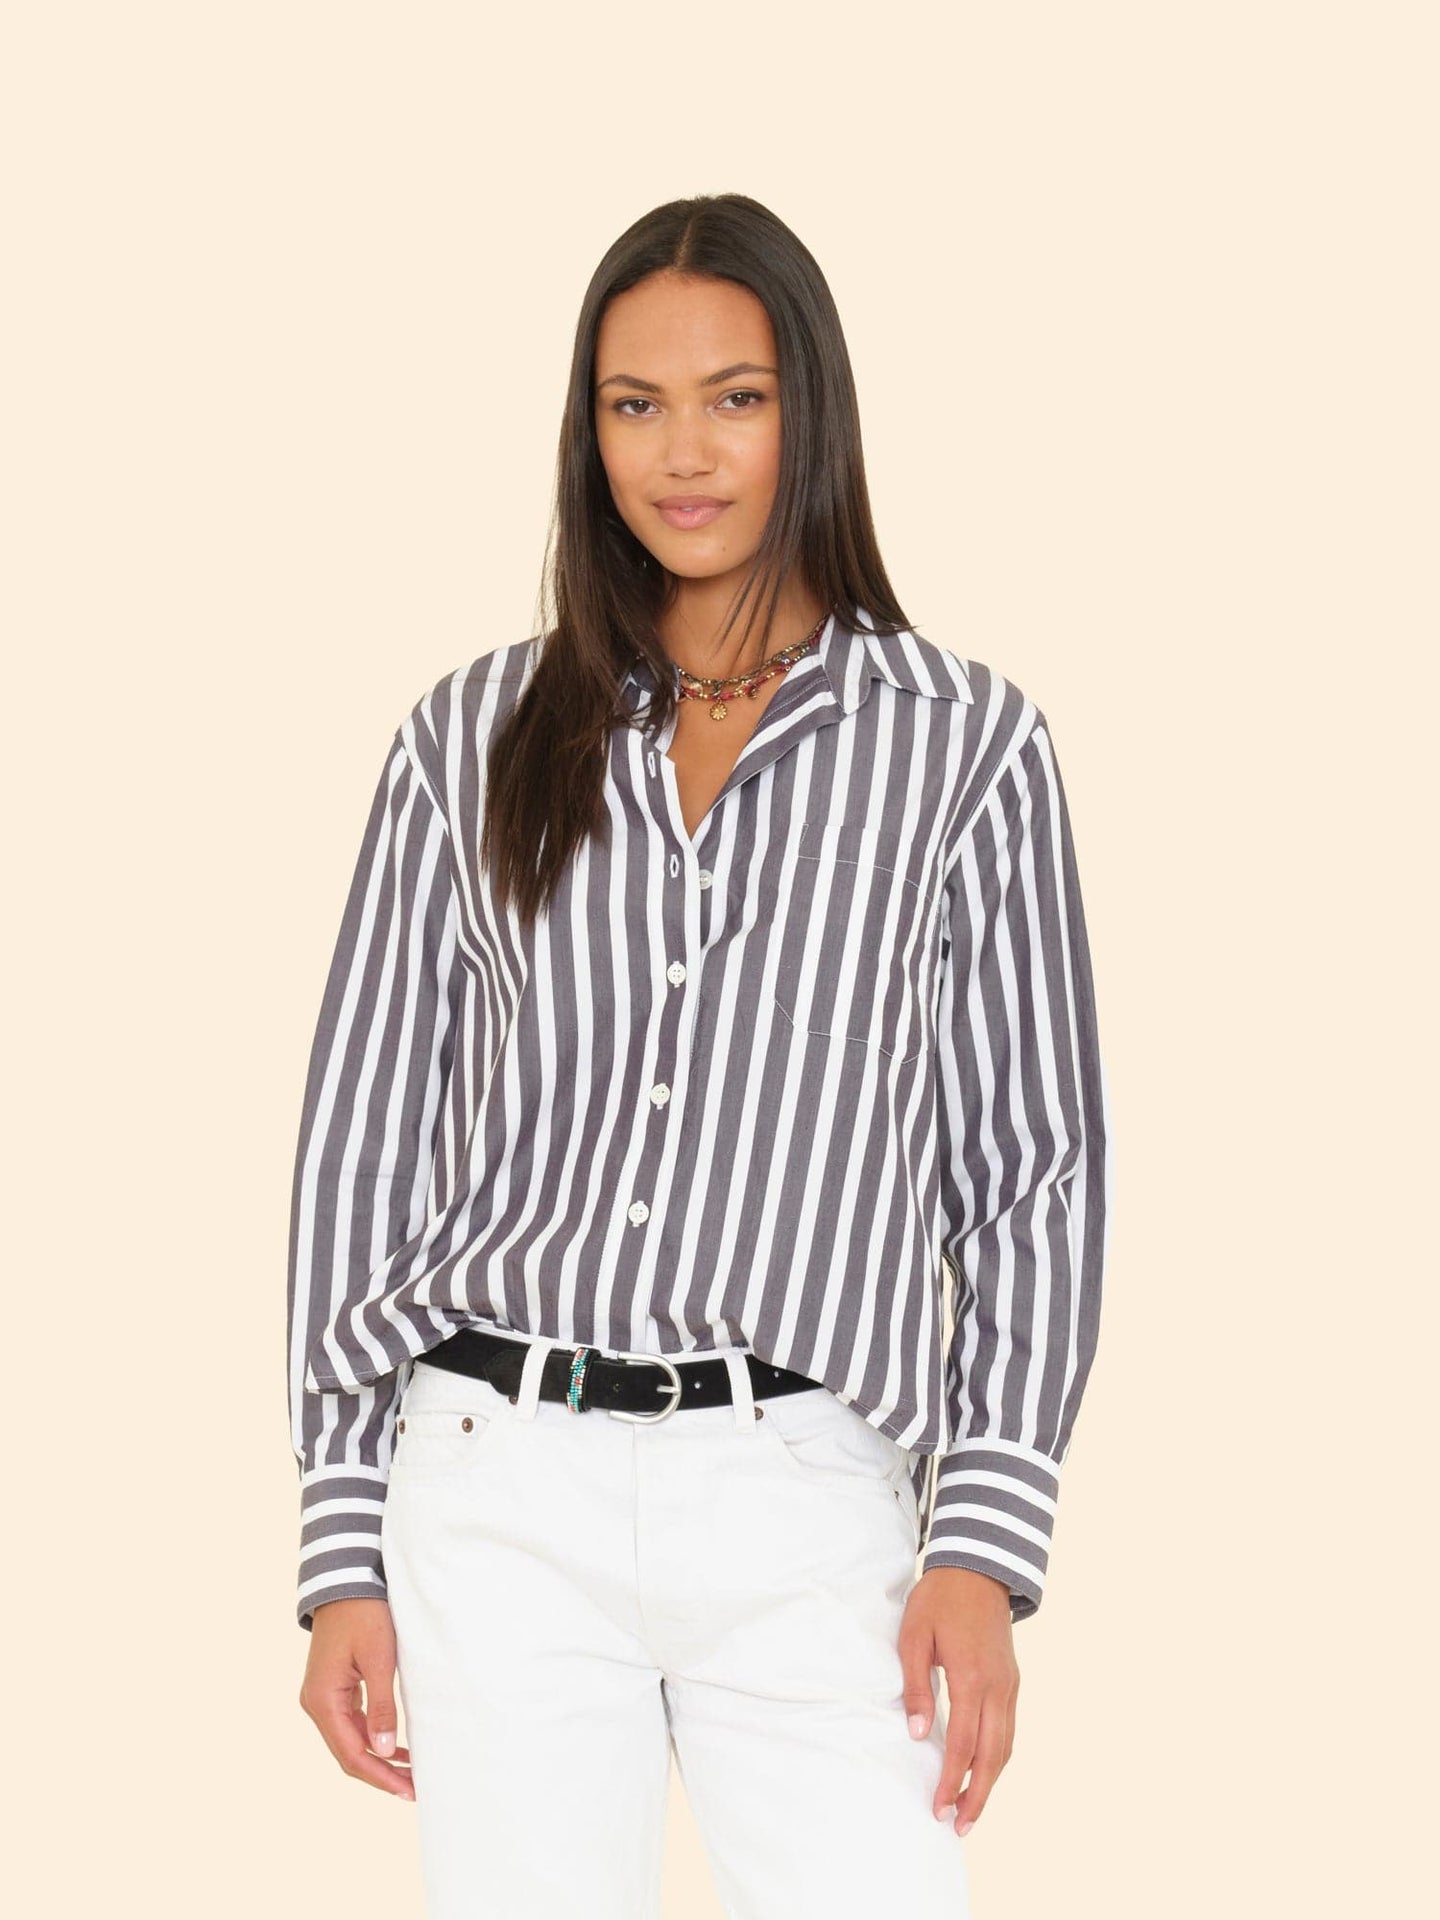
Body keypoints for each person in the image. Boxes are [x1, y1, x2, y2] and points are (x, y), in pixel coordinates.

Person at [286, 191, 1111, 1919]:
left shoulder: (966, 750)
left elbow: (1031, 1171)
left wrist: (982, 1538)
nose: (683, 453)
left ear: (815, 409)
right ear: (585, 432)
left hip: (805, 1490)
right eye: (633, 403)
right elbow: (366, 1149)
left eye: (736, 397)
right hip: (495, 1481)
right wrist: (343, 1540)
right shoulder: (469, 739)